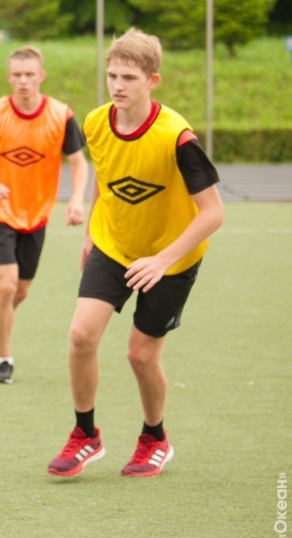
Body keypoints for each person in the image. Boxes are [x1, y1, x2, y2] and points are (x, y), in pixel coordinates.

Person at [47, 28, 223, 478]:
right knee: (81, 335)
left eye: (128, 77)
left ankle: (154, 438)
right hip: (114, 246)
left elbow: (213, 213)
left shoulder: (177, 137)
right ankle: (85, 434)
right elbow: (106, 180)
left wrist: (162, 260)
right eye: (112, 75)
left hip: (172, 259)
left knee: (140, 355)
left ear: (152, 80)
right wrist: (91, 232)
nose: (118, 85)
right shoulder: (94, 123)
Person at [0, 46, 88, 384]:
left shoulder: (60, 115)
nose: (23, 81)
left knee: (20, 292)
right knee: (5, 287)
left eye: (30, 74)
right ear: (8, 77)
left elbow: (78, 162)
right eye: (17, 75)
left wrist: (77, 199)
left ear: (41, 76)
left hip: (36, 215)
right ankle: (4, 359)